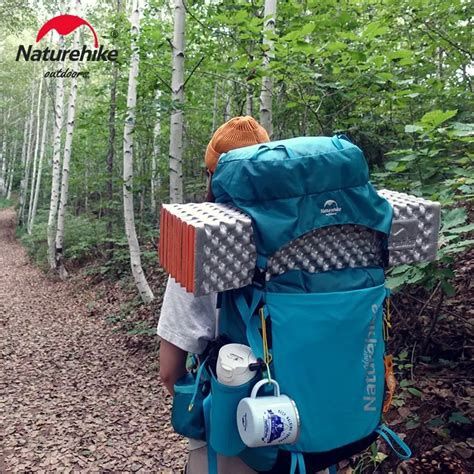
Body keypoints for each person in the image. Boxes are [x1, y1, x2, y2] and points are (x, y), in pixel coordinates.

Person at [157, 116, 270, 474]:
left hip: (231, 438)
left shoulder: (200, 244)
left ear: (212, 176)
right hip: (309, 432)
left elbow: (169, 372)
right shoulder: (309, 235)